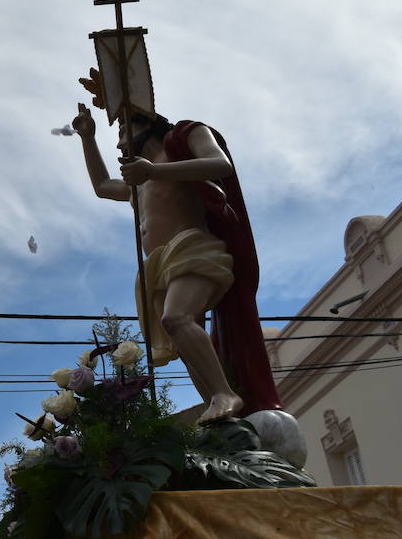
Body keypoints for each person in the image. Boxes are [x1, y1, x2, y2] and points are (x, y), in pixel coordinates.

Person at [71, 85, 281, 423]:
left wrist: (153, 171)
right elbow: (102, 186)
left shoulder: (181, 145)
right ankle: (223, 414)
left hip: (193, 250)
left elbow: (219, 165)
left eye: (125, 130)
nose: (120, 142)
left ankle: (225, 394)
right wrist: (87, 137)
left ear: (149, 124)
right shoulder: (139, 182)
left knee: (177, 318)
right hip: (159, 265)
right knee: (185, 345)